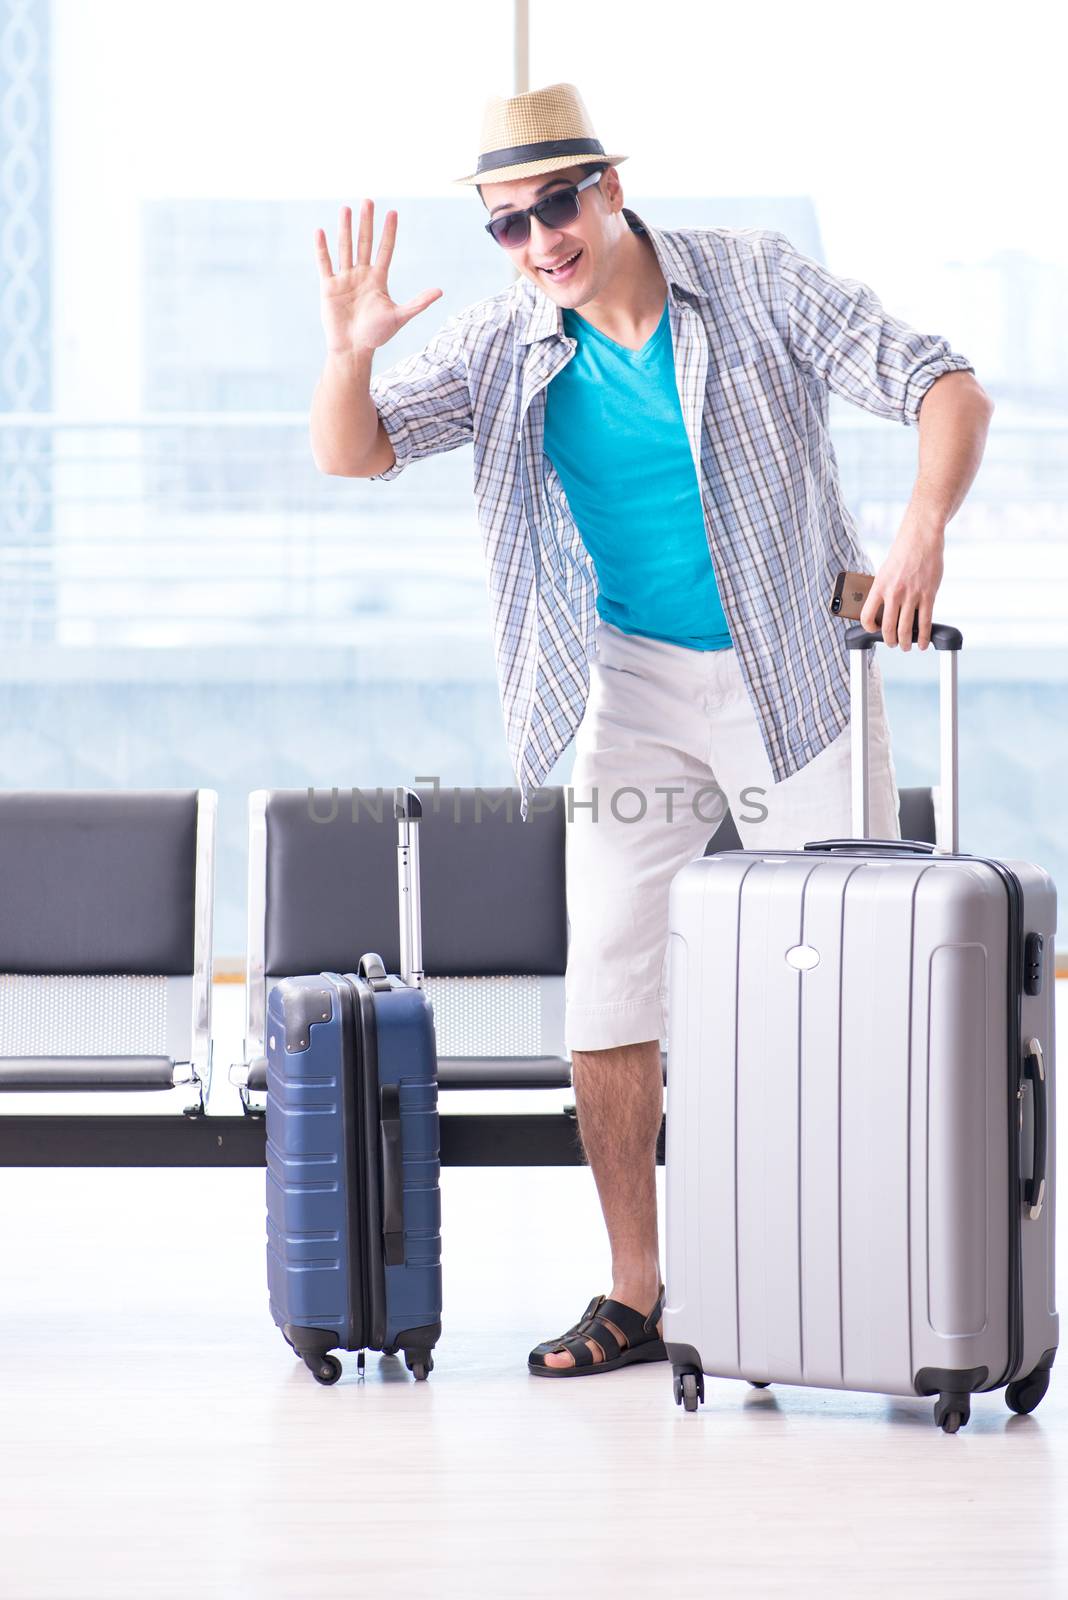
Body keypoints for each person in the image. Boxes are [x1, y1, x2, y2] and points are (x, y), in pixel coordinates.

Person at [309, 82, 994, 1379]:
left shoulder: (753, 285)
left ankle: (842, 1276)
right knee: (613, 976)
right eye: (509, 224)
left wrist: (918, 535)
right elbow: (355, 454)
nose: (540, 241)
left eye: (557, 205)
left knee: (839, 978)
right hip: (633, 683)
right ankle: (641, 1289)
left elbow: (944, 385)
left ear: (610, 191)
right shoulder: (510, 346)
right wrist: (348, 352)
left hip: (796, 667)